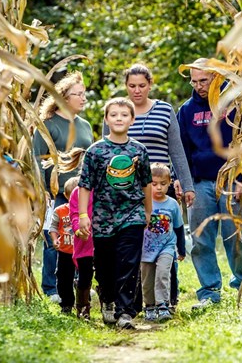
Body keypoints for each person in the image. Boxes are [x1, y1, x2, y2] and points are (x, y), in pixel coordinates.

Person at [102, 63, 195, 310]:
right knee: (134, 245)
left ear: (150, 84)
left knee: (165, 240)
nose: (137, 91)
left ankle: (168, 299)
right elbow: (106, 149)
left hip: (161, 186)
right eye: (131, 86)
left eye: (142, 85)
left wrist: (186, 185)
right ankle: (136, 299)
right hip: (127, 189)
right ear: (126, 87)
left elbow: (177, 150)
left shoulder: (164, 110)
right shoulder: (118, 111)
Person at [177, 58, 242, 310]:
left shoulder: (234, 105)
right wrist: (184, 182)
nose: (199, 86)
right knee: (201, 239)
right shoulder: (186, 111)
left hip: (232, 179)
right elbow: (182, 151)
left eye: (204, 80)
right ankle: (209, 290)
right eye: (194, 81)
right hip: (200, 183)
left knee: (236, 234)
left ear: (216, 79)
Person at [77, 97, 152, 329]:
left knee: (128, 263)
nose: (119, 118)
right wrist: (82, 215)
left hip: (132, 214)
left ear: (132, 119)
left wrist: (147, 212)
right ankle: (108, 299)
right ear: (106, 119)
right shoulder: (95, 151)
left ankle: (124, 312)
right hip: (103, 217)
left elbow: (146, 183)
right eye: (114, 114)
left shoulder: (139, 150)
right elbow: (85, 185)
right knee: (105, 264)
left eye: (124, 114)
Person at [33, 71, 93, 303]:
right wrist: (43, 191)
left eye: (83, 94)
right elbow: (36, 159)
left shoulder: (85, 125)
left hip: (83, 192)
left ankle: (80, 283)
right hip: (56, 193)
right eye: (78, 94)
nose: (83, 99)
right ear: (64, 98)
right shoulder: (47, 125)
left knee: (81, 237)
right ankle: (52, 288)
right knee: (55, 239)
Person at [141, 163, 186, 322]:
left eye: (163, 184)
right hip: (146, 248)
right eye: (154, 184)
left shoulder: (172, 204)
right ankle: (150, 306)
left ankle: (163, 305)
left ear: (170, 183)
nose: (158, 188)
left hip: (167, 247)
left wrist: (181, 249)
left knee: (163, 274)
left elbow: (179, 228)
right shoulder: (143, 203)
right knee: (147, 279)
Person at [66, 149, 95, 320]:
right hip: (84, 241)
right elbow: (74, 214)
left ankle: (108, 302)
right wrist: (78, 230)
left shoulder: (104, 190)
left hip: (103, 240)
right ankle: (83, 308)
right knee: (85, 275)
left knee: (105, 273)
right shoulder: (77, 192)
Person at [49, 177, 79, 314]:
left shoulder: (87, 212)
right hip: (65, 251)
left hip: (81, 251)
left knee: (83, 278)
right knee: (63, 278)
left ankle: (83, 304)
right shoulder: (60, 211)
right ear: (66, 196)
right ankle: (66, 303)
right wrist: (55, 240)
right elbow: (53, 228)